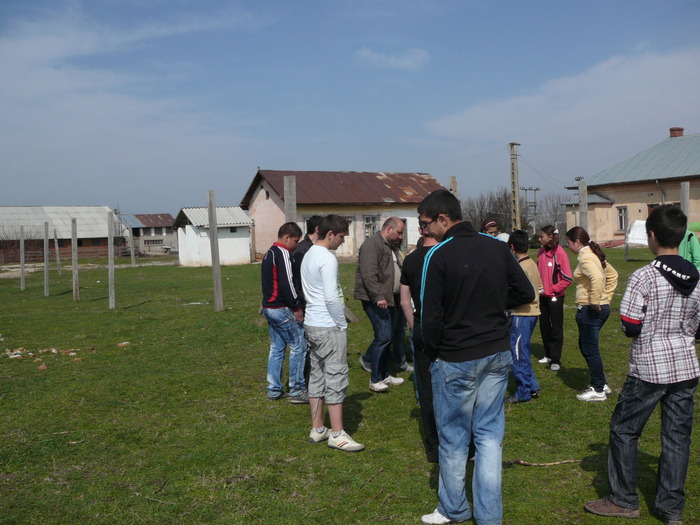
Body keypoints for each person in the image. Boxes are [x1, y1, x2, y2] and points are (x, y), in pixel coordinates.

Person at [418, 189, 534, 525]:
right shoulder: (497, 248)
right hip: (496, 353)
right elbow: (524, 292)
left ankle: (454, 508)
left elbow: (429, 318)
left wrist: (431, 351)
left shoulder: (437, 256)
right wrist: (496, 305)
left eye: (427, 224)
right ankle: (488, 516)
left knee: (454, 439)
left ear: (444, 218)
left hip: (457, 356)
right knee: (488, 436)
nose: (425, 231)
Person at [584, 204, 700, 525]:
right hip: (685, 367)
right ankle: (671, 508)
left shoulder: (644, 276)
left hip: (649, 368)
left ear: (651, 236)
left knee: (624, 430)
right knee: (676, 437)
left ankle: (623, 499)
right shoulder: (697, 277)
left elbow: (630, 324)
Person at [301, 215, 364, 452]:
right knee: (336, 376)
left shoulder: (308, 254)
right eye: (341, 236)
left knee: (317, 374)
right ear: (330, 234)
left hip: (312, 324)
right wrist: (341, 323)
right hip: (328, 325)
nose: (342, 240)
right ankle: (337, 433)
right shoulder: (327, 258)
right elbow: (330, 297)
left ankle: (318, 428)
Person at [565, 226, 618, 402]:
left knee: (590, 348)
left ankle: (598, 388)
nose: (568, 246)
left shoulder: (586, 257)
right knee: (585, 345)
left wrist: (596, 301)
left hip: (590, 309)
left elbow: (597, 277)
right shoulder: (593, 255)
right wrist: (607, 297)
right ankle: (600, 383)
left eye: (569, 243)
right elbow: (612, 275)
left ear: (577, 242)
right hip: (598, 307)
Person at [400, 225, 439, 462]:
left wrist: (415, 327)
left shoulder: (411, 259)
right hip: (448, 332)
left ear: (420, 229)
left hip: (422, 328)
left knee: (426, 389)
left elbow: (405, 301)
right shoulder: (447, 254)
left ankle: (433, 445)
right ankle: (464, 442)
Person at [354, 217, 406, 392]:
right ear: (389, 229)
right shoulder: (372, 245)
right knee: (383, 336)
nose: (400, 236)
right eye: (399, 232)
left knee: (388, 336)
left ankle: (384, 374)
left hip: (389, 298)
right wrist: (378, 296)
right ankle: (375, 378)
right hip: (375, 299)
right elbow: (368, 274)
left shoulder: (389, 246)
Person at [261, 222, 308, 403]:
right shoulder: (282, 253)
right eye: (295, 240)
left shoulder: (269, 253)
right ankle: (296, 389)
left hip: (269, 307)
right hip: (280, 308)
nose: (296, 245)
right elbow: (287, 284)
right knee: (299, 344)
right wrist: (296, 307)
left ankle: (273, 389)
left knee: (277, 348)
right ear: (286, 237)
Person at [505, 229, 543, 404]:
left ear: (512, 247)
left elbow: (520, 293)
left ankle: (523, 393)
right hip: (533, 312)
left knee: (518, 353)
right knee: (524, 351)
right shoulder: (532, 264)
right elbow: (540, 287)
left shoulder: (520, 267)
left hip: (522, 314)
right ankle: (532, 385)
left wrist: (506, 303)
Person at [536, 225, 573, 372]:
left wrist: (551, 290)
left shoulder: (560, 253)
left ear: (550, 237)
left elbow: (567, 278)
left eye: (541, 236)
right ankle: (548, 354)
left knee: (556, 327)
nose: (539, 239)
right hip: (542, 296)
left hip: (555, 297)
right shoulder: (540, 252)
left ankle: (556, 359)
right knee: (544, 326)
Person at [291, 215, 323, 309]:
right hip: (305, 301)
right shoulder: (301, 250)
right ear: (317, 229)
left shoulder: (317, 248)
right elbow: (297, 278)